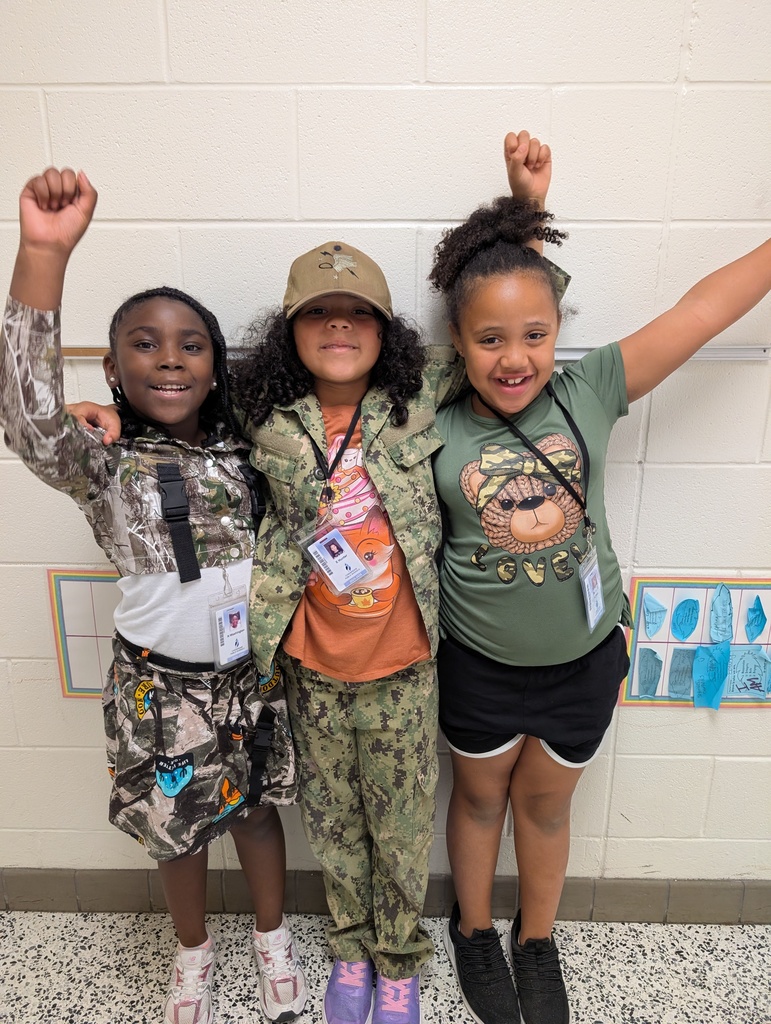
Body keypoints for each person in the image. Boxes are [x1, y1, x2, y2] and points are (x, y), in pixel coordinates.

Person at [68, 132, 561, 1024]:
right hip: (309, 670)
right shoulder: (259, 415)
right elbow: (170, 394)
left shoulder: (421, 395)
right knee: (333, 826)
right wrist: (104, 409)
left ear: (389, 331)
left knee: (400, 830)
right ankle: (348, 955)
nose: (339, 327)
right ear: (289, 333)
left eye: (358, 314)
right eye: (318, 315)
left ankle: (399, 963)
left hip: (405, 667)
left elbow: (503, 331)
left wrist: (524, 214)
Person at [427, 189, 771, 1024]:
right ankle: (472, 930)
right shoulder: (430, 420)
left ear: (557, 331)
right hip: (476, 665)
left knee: (545, 808)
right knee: (477, 801)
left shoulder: (588, 390)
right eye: (490, 339)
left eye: (534, 335)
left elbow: (700, 311)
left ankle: (535, 939)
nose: (514, 357)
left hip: (582, 664)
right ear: (458, 342)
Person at [0, 168, 307, 1024]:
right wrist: (43, 255)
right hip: (158, 690)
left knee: (253, 815)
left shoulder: (253, 453)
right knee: (177, 833)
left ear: (215, 368)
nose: (169, 357)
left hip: (250, 679)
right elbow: (26, 419)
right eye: (145, 343)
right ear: (113, 366)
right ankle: (193, 955)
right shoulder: (105, 464)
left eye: (190, 345)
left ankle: (273, 940)